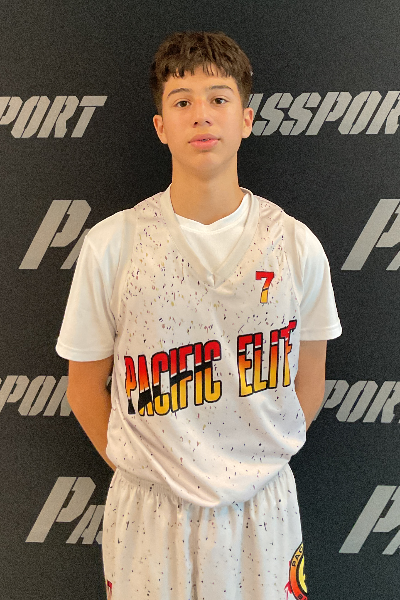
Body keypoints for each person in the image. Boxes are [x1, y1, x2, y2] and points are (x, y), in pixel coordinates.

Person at [56, 30, 341, 600]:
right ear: (161, 126)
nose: (201, 115)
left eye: (219, 98)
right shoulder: (112, 244)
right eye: (182, 101)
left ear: (247, 119)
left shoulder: (294, 245)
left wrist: (256, 462)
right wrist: (147, 469)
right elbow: (84, 386)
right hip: (148, 510)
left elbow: (310, 379)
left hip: (262, 505)